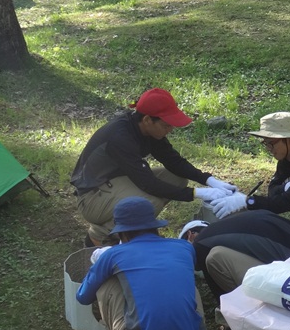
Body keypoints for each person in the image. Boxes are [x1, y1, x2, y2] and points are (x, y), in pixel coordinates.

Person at [70, 88, 237, 246]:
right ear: (147, 120)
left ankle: (133, 227)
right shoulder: (120, 137)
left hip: (116, 182)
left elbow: (173, 161)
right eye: (166, 125)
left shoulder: (146, 129)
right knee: (149, 202)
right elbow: (147, 183)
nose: (170, 130)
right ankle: (101, 235)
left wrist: (209, 180)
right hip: (92, 198)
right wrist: (197, 193)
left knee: (176, 179)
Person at [76, 197, 207, 330]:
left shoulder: (113, 255)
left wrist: (100, 266)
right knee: (186, 284)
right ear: (155, 225)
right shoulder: (184, 247)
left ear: (121, 233)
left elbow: (83, 297)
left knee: (107, 284)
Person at [180, 210, 290, 298]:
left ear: (190, 235)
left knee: (215, 257)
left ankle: (252, 310)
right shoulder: (233, 224)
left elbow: (221, 295)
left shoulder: (200, 243)